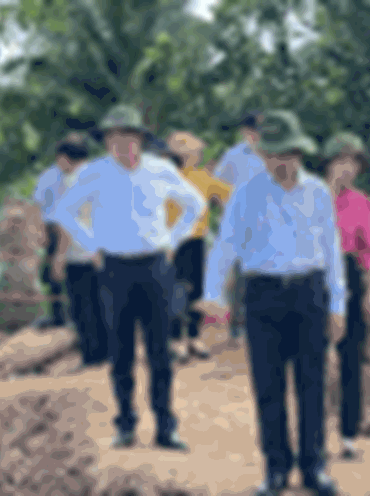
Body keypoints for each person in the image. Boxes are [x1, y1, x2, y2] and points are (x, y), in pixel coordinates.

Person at [196, 110, 346, 496]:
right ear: (263, 155)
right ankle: (276, 468)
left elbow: (332, 249)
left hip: (309, 292)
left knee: (312, 384)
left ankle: (314, 467)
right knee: (269, 385)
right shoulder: (247, 193)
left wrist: (338, 304)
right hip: (263, 294)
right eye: (274, 154)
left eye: (288, 153)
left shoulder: (318, 192)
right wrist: (213, 294)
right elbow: (226, 245)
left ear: (299, 152)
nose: (282, 162)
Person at [47, 104, 206, 450]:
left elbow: (195, 204)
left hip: (155, 266)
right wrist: (92, 246)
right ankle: (125, 424)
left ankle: (165, 426)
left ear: (140, 139)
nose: (121, 144)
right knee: (120, 351)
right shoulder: (94, 172)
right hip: (114, 267)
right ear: (106, 142)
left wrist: (173, 241)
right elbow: (65, 212)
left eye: (128, 137)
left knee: (159, 351)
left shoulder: (160, 169)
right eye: (113, 138)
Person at [321, 132, 370, 460]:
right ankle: (312, 430)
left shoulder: (360, 203)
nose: (348, 169)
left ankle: (348, 434)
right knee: (311, 356)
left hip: (349, 273)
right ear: (329, 163)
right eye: (341, 161)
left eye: (354, 163)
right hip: (314, 274)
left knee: (351, 357)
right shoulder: (311, 196)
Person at [164, 131, 231, 362]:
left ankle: (194, 336)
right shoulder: (165, 177)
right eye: (196, 151)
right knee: (175, 290)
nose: (200, 154)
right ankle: (175, 339)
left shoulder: (203, 177)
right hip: (172, 242)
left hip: (197, 241)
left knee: (197, 290)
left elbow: (230, 197)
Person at [50, 133, 110, 371]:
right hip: (102, 251)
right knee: (101, 304)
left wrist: (59, 256)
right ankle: (108, 355)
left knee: (82, 308)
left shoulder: (70, 181)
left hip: (79, 253)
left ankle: (92, 357)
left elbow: (66, 223)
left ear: (65, 158)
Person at [212, 110, 265, 342]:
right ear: (245, 132)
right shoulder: (233, 156)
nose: (258, 135)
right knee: (241, 274)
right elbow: (216, 186)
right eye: (254, 130)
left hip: (269, 221)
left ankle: (261, 321)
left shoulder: (275, 153)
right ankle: (238, 324)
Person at [33, 141, 75, 329]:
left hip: (75, 227)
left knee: (75, 270)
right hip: (52, 228)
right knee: (51, 273)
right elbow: (38, 205)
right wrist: (40, 231)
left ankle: (75, 315)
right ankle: (58, 316)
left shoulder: (81, 174)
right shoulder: (48, 176)